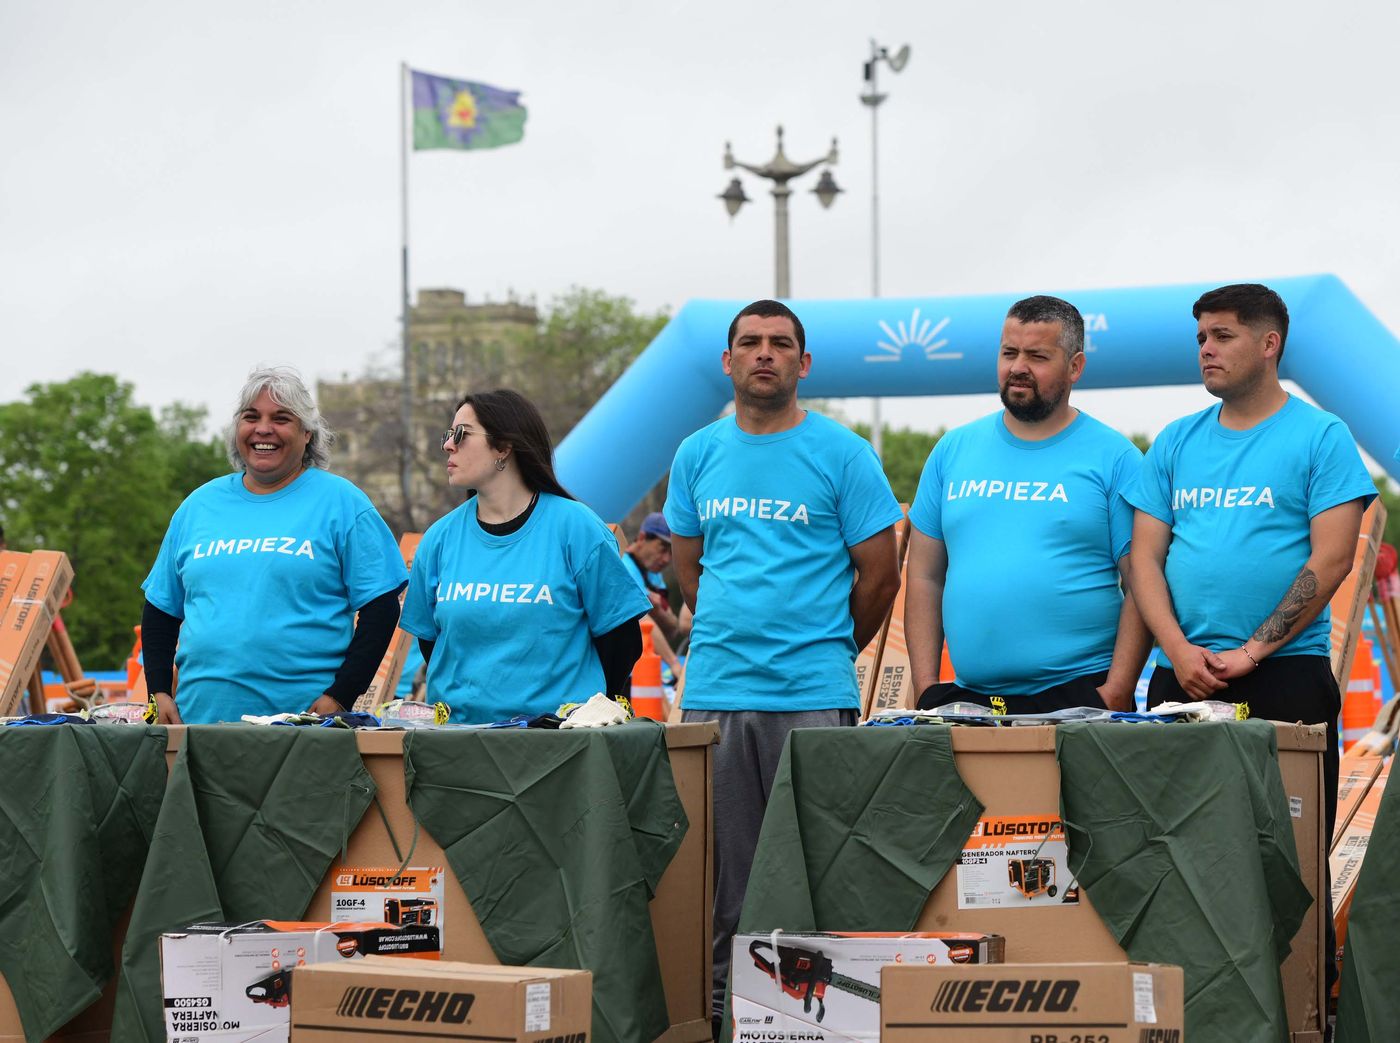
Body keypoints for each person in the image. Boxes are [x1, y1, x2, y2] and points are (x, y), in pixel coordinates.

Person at [663, 299, 902, 1028]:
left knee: (812, 873)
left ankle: (810, 1022)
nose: (765, 353)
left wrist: (823, 644)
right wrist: (739, 631)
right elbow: (688, 567)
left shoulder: (844, 452)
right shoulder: (696, 453)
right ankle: (725, 1018)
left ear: (804, 362)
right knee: (723, 886)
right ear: (729, 361)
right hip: (717, 694)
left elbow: (881, 577)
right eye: (750, 342)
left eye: (780, 343)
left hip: (811, 696)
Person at [1125, 283, 1375, 836]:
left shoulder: (1321, 435)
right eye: (1200, 338)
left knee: (1289, 860)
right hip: (1181, 681)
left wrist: (1251, 653)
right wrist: (1177, 651)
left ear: (1268, 344)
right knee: (1181, 857)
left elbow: (1331, 560)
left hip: (1284, 677)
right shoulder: (1174, 441)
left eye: (1222, 335)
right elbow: (1144, 560)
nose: (1205, 350)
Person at [906, 295, 1151, 713]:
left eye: (1037, 355)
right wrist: (928, 687)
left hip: (1079, 695)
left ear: (1075, 367)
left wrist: (1117, 688)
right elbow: (925, 576)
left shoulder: (1117, 458)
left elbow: (1142, 582)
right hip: (966, 698)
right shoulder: (953, 451)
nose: (1018, 367)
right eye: (1009, 353)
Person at [141, 366, 408, 724]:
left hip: (302, 731)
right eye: (251, 417)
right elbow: (161, 610)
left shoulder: (343, 503)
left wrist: (340, 696)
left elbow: (381, 609)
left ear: (308, 434)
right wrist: (158, 692)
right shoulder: (198, 506)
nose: (263, 428)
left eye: (281, 418)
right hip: (199, 726)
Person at [400, 389, 650, 723]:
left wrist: (577, 713)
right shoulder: (438, 539)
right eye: (449, 435)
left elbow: (621, 641)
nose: (448, 445)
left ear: (504, 447)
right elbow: (432, 645)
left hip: (557, 744)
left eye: (462, 434)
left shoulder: (577, 527)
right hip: (458, 744)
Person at [621, 512, 691, 676]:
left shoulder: (655, 575)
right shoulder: (622, 566)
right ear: (642, 537)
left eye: (672, 552)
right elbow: (640, 619)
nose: (667, 559)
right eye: (663, 548)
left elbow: (673, 630)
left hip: (646, 667)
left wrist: (659, 612)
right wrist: (674, 664)